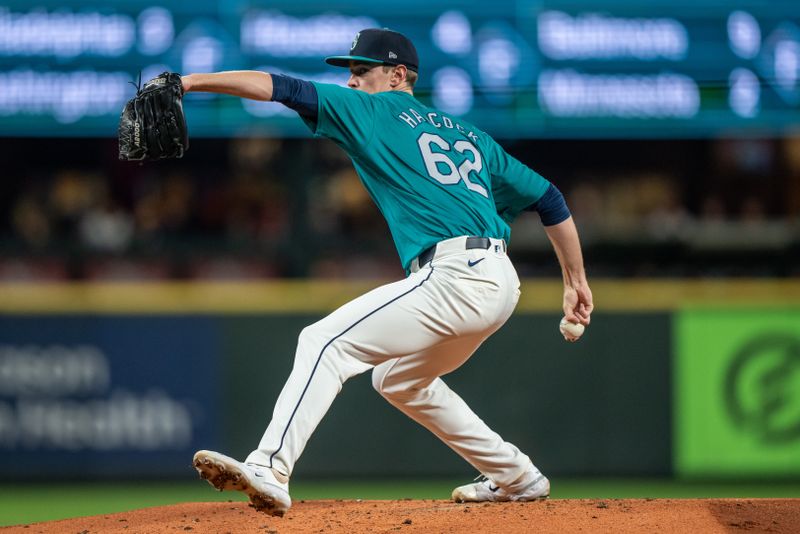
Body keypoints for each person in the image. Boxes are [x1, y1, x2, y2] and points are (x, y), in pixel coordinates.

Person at [184, 28, 593, 517]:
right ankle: (516, 476)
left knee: (323, 342)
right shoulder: (471, 136)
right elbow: (549, 199)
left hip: (456, 275)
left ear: (398, 75)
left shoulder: (374, 111)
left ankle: (269, 468)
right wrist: (575, 282)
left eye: (362, 71)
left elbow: (280, 87)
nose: (353, 82)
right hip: (499, 280)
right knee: (397, 380)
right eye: (351, 74)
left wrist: (190, 82)